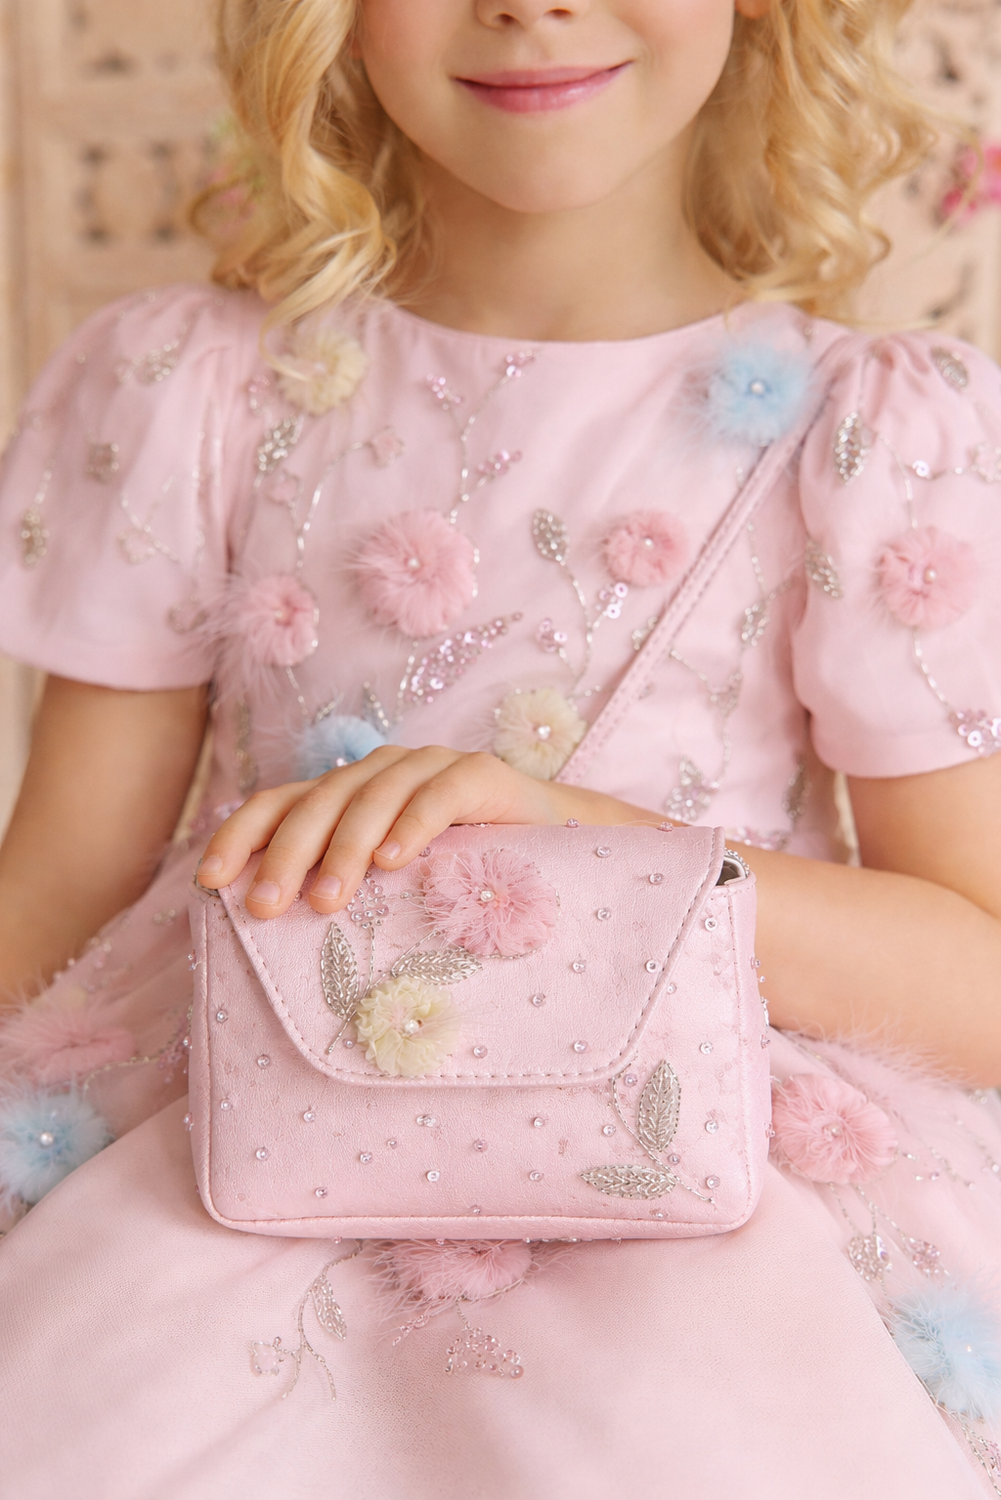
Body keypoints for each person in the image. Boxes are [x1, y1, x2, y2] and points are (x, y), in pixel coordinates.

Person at [1, 0, 1000, 1494]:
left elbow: (981, 979)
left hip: (716, 1199)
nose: (532, 6)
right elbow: (53, 901)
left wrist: (590, 841)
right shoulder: (193, 388)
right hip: (221, 1144)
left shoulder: (871, 432)